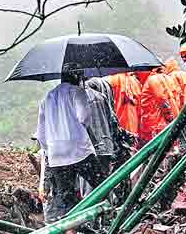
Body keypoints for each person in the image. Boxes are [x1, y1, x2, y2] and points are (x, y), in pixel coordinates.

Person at [35, 71, 102, 223]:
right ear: (77, 78)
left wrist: (51, 149)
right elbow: (84, 117)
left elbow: (41, 134)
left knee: (66, 197)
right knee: (101, 185)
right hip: (79, 151)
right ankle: (102, 221)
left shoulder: (46, 98)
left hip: (57, 156)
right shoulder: (77, 92)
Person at [83, 78, 126, 187]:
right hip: (106, 144)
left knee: (93, 185)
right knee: (105, 180)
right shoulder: (103, 96)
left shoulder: (82, 98)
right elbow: (112, 120)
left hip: (92, 147)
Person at [138, 70, 177, 142]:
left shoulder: (152, 80)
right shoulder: (167, 77)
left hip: (157, 125)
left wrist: (169, 116)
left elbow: (162, 99)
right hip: (165, 123)